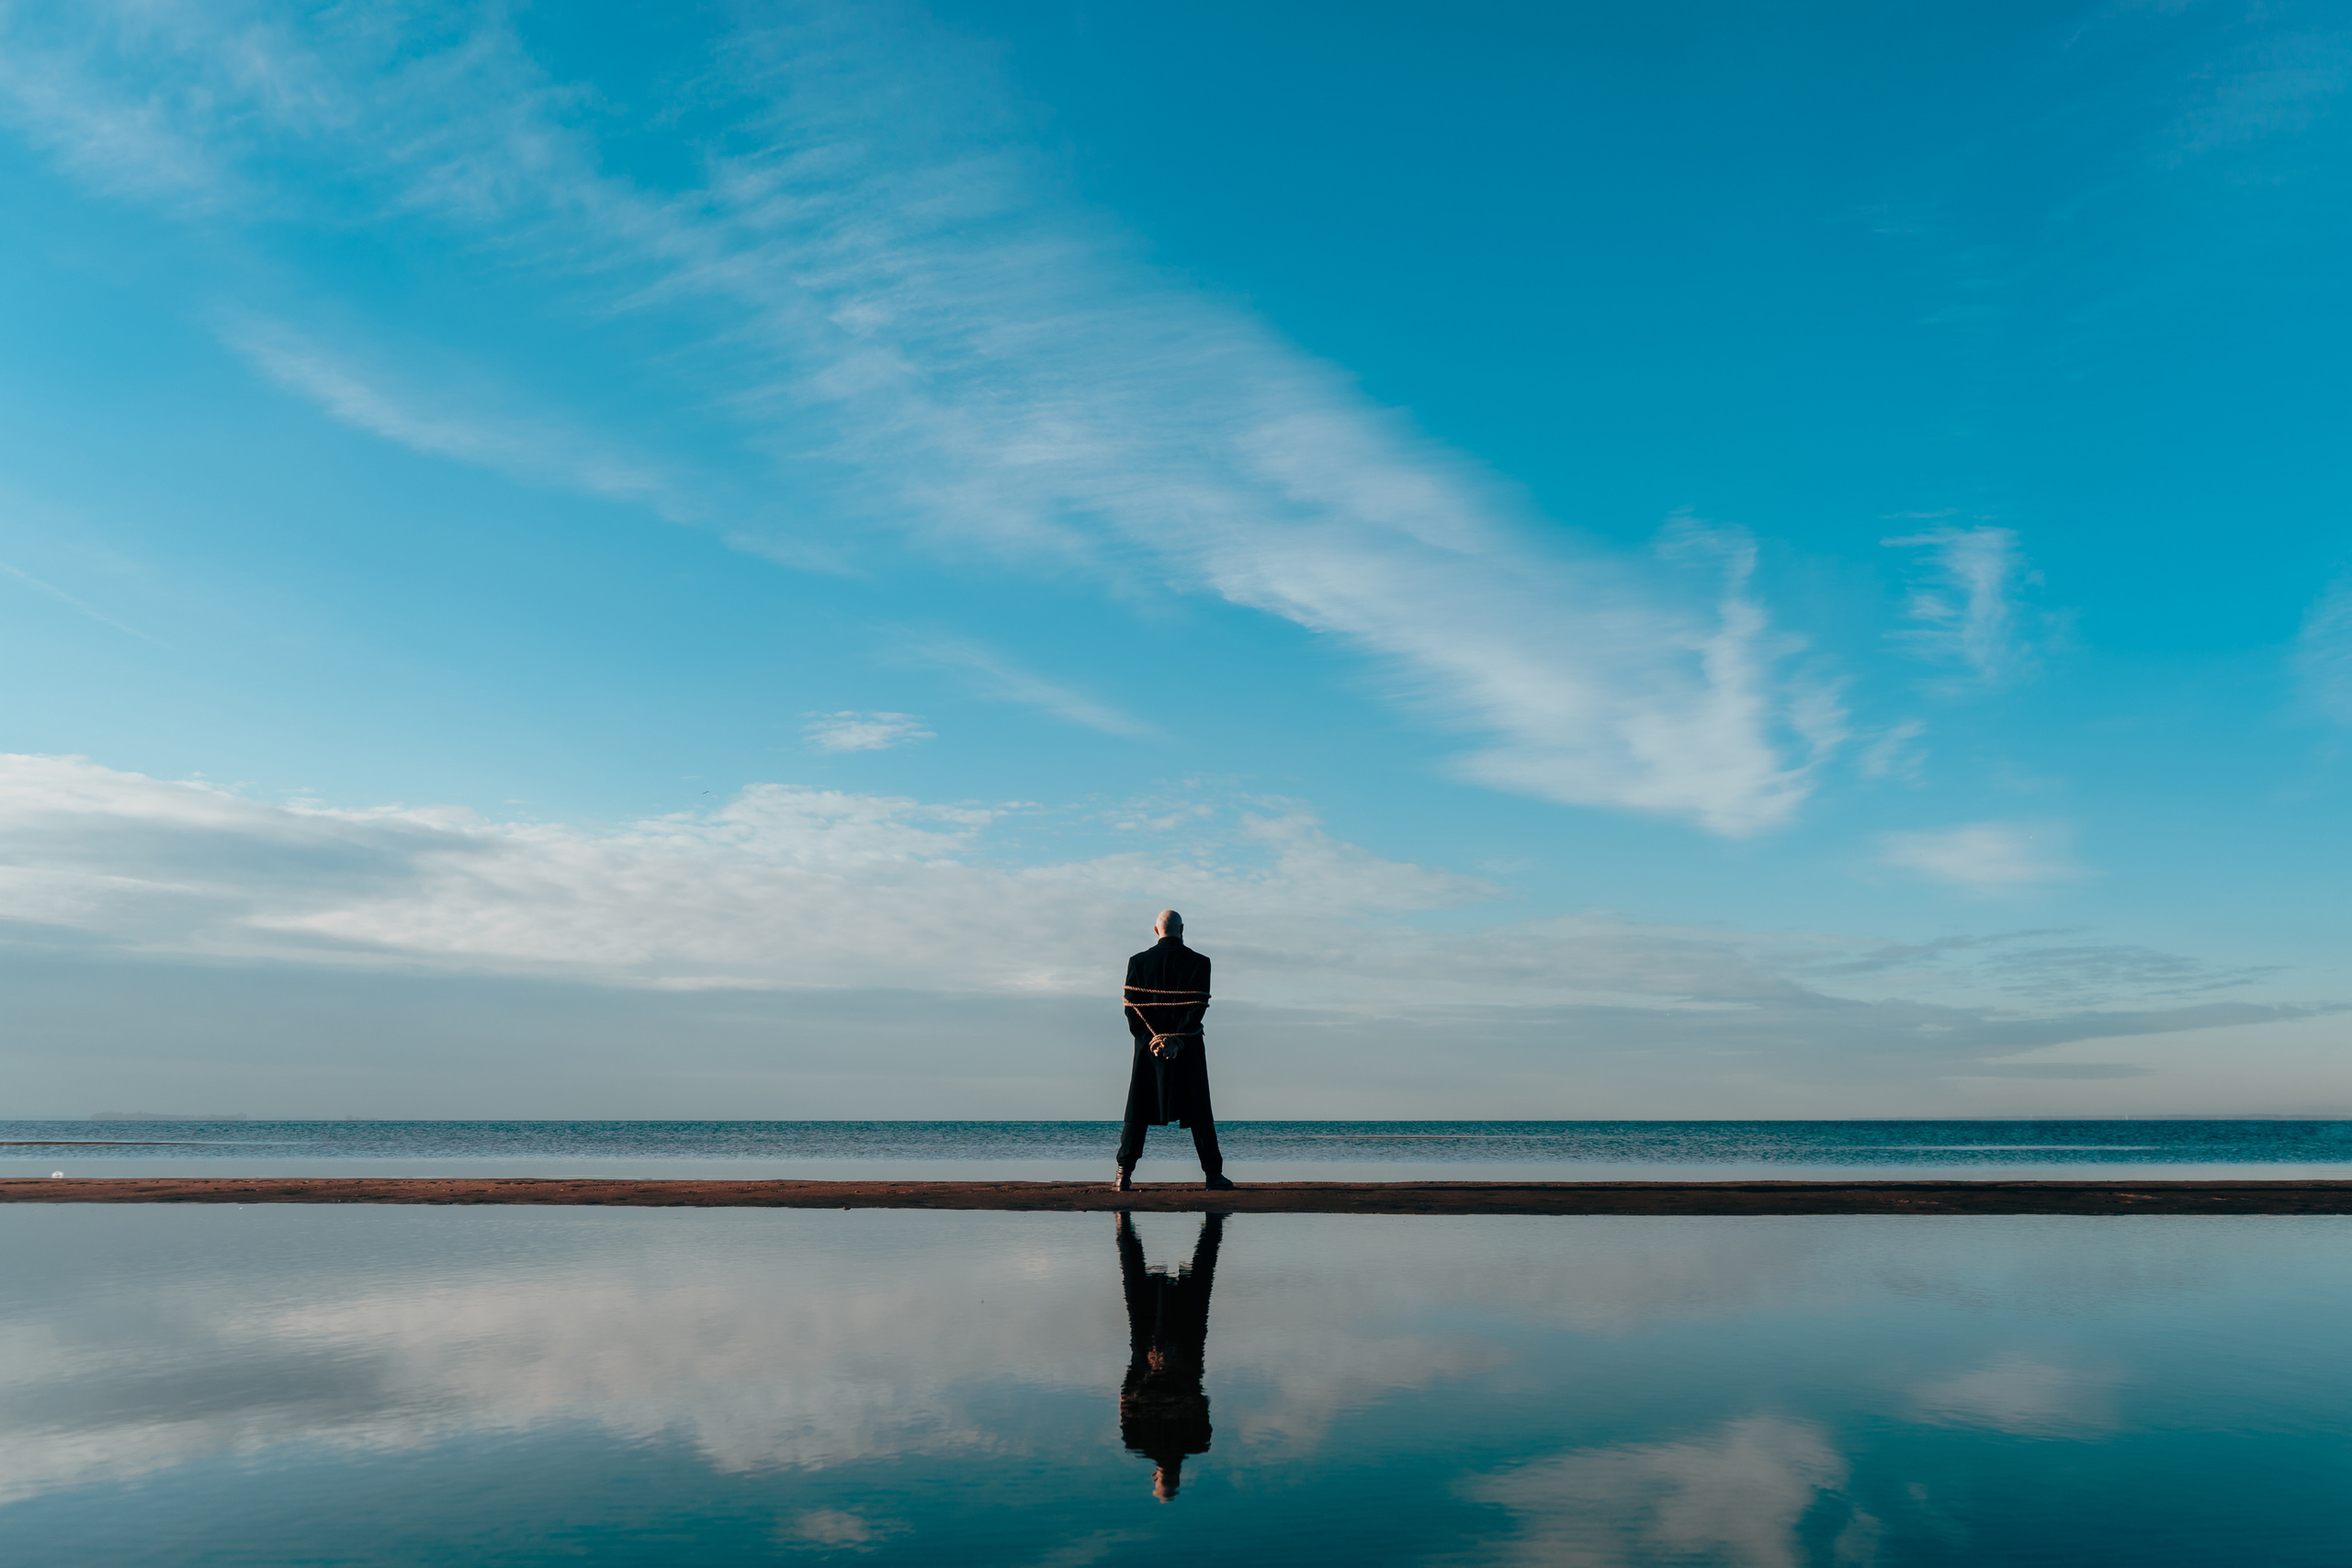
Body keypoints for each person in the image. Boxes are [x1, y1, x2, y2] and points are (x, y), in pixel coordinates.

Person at [1115, 909, 1233, 1191]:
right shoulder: (1200, 963)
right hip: (1188, 1047)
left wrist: (1153, 1040)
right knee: (1199, 1111)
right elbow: (1198, 1009)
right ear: (1182, 929)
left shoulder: (1138, 962)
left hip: (1149, 1049)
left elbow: (1131, 1011)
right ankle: (1213, 1176)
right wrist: (1176, 1041)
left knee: (1137, 1111)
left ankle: (1123, 1175)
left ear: (1156, 931)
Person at [1115, 1210, 1225, 1501]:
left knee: (1198, 1280)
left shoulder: (1199, 1441)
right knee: (1139, 1290)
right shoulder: (1136, 1442)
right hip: (1154, 1361)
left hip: (1182, 1360)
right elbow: (1125, 1398)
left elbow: (1200, 1400)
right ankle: (1123, 1225)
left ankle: (1124, 1222)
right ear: (1157, 1474)